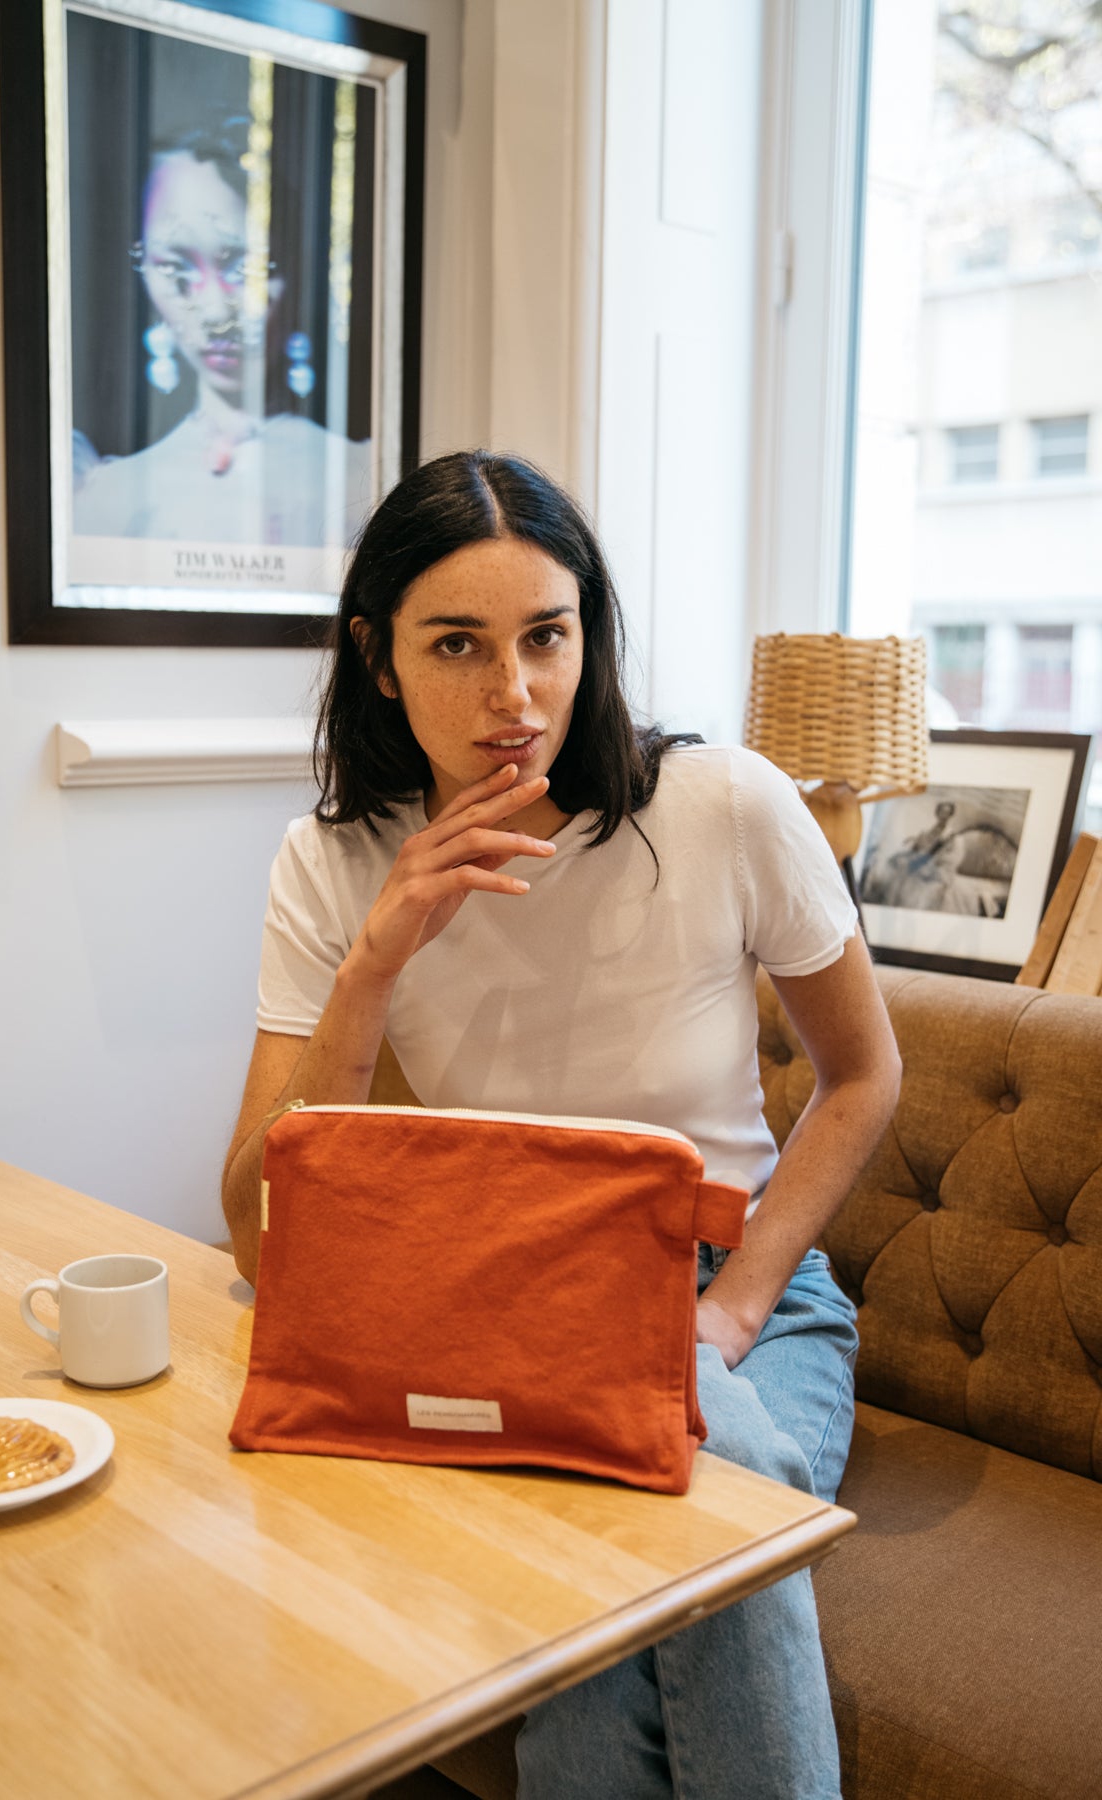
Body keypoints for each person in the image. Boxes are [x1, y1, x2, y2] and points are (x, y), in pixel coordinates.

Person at [222, 450, 901, 1800]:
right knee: (644, 1581)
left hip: (738, 1292)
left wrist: (735, 1307)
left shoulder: (723, 806)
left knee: (723, 1466)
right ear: (378, 657)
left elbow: (865, 1077)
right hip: (518, 1308)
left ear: (591, 635)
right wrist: (379, 960)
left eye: (547, 636)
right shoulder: (335, 862)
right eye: (458, 645)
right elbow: (257, 1229)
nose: (513, 694)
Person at [74, 118, 372, 549]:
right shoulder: (108, 496)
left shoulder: (361, 479)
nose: (215, 311)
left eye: (245, 269)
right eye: (175, 267)